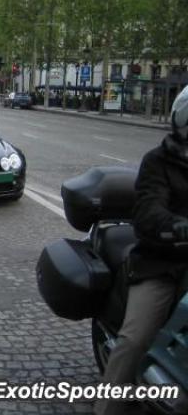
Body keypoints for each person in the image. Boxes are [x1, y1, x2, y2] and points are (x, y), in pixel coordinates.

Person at [95, 85, 188, 415]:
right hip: (162, 263)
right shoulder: (158, 161)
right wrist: (179, 226)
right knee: (134, 339)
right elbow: (148, 211)